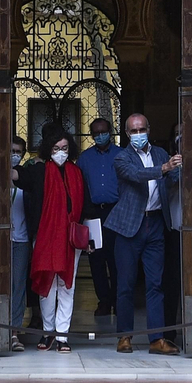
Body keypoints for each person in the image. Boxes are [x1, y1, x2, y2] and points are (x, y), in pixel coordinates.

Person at [104, 113, 181, 354]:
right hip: (128, 227)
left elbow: (171, 179)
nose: (138, 134)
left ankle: (156, 339)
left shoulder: (159, 153)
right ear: (127, 134)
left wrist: (182, 164)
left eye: (141, 129)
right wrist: (164, 168)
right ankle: (124, 336)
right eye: (133, 131)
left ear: (149, 129)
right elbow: (137, 176)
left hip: (156, 224)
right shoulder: (122, 157)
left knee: (155, 285)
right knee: (125, 285)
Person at [15, 123, 90, 353]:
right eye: (56, 148)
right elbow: (18, 176)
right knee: (47, 286)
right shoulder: (38, 171)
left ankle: (62, 336)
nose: (61, 152)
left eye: (65, 147)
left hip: (70, 240)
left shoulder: (77, 173)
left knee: (67, 286)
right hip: (45, 238)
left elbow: (87, 207)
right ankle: (48, 332)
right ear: (48, 150)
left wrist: (92, 241)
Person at [76, 117, 120, 316]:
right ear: (91, 135)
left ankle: (120, 300)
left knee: (117, 258)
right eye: (96, 133)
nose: (100, 136)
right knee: (96, 259)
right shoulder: (84, 158)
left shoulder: (122, 155)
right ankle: (104, 300)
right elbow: (79, 187)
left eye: (103, 131)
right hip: (93, 214)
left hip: (116, 211)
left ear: (110, 132)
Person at [6, 133, 32, 353]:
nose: (14, 155)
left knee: (18, 287)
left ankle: (14, 332)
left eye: (18, 152)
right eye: (11, 151)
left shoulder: (26, 179)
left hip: (21, 240)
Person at [161, 122, 183, 346]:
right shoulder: (167, 164)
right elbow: (167, 186)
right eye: (177, 134)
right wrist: (174, 166)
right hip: (175, 231)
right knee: (172, 283)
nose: (181, 138)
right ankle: (169, 332)